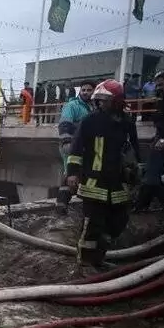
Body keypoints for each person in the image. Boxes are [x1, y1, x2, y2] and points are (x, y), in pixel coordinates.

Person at [65, 79, 138, 268]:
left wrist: (135, 170)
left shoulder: (127, 123)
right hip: (94, 183)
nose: (100, 103)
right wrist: (72, 173)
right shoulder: (90, 121)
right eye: (99, 100)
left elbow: (134, 150)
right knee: (93, 224)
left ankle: (100, 254)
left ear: (117, 101)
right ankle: (86, 263)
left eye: (105, 99)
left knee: (119, 220)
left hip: (117, 183)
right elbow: (76, 148)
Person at [55, 80, 95, 214]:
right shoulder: (72, 105)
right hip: (71, 145)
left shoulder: (93, 107)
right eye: (83, 90)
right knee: (71, 174)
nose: (85, 92)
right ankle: (61, 206)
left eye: (89, 90)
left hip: (85, 147)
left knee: (81, 174)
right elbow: (65, 124)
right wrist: (67, 143)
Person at [135, 69, 164, 211]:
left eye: (161, 85)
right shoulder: (163, 99)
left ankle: (142, 204)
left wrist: (162, 139)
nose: (158, 88)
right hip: (161, 138)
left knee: (152, 173)